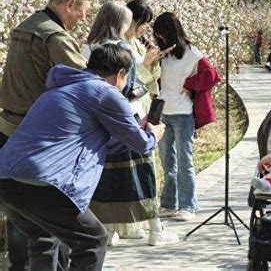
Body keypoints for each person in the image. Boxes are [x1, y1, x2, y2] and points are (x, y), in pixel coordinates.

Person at [0, 44, 163, 271]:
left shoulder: (59, 90)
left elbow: (105, 143)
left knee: (44, 238)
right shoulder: (106, 92)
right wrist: (152, 134)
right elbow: (140, 144)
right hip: (46, 183)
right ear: (120, 75)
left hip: (7, 180)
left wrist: (137, 130)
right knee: (93, 240)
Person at [0, 0, 92, 270]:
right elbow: (88, 88)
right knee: (51, 228)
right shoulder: (55, 36)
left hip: (6, 133)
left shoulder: (23, 27)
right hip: (37, 142)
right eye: (82, 12)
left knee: (22, 217)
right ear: (69, 4)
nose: (81, 20)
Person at [84, 1, 178, 247]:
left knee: (107, 176)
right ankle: (155, 229)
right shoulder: (120, 49)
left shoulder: (88, 47)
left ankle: (108, 230)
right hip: (130, 116)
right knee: (143, 173)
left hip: (96, 120)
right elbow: (133, 84)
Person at [152, 12, 220, 221]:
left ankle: (188, 205)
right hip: (163, 112)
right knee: (167, 161)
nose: (157, 37)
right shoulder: (162, 54)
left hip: (183, 113)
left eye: (160, 33)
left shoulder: (191, 53)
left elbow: (212, 75)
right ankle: (169, 203)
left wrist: (190, 85)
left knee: (184, 161)